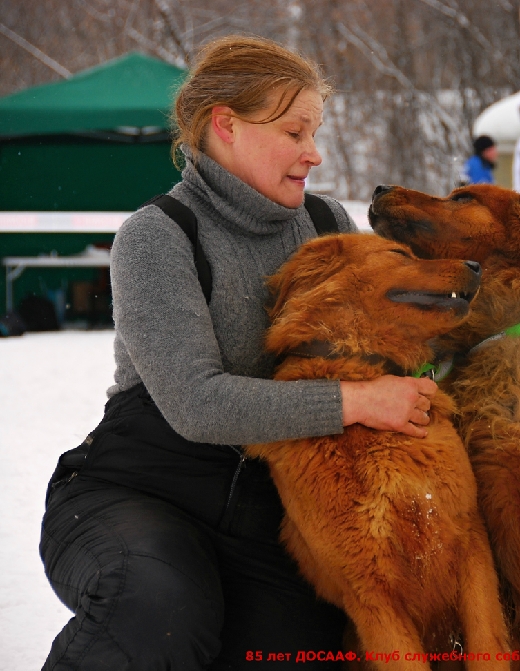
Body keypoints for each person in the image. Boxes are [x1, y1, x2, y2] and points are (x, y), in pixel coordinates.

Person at [38, 36, 437, 670]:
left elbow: (396, 349)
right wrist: (358, 401)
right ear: (226, 124)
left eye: (315, 131)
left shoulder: (330, 224)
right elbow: (198, 404)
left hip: (271, 517)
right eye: (295, 132)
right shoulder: (159, 237)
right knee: (159, 609)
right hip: (140, 493)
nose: (315, 152)